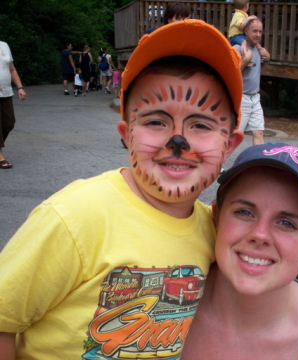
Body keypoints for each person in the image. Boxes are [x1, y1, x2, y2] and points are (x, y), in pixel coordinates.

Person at [0, 19, 244, 359]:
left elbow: (264, 277)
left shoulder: (214, 230)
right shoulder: (75, 217)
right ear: (125, 133)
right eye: (156, 121)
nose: (177, 142)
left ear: (230, 144)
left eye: (201, 125)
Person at [182, 143, 298, 360]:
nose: (261, 235)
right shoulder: (158, 291)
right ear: (216, 217)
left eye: (286, 223)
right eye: (245, 212)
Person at [234, 18, 271, 145]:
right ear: (246, 31)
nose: (258, 35)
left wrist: (266, 59)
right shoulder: (238, 49)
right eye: (255, 31)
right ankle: (220, 164)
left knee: (258, 132)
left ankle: (258, 163)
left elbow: (258, 73)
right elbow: (232, 74)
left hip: (255, 97)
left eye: (260, 32)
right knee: (234, 135)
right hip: (241, 98)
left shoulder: (258, 50)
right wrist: (245, 60)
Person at [0, 41, 26, 169]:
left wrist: (20, 87)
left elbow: (12, 69)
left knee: (9, 123)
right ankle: (0, 156)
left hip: (5, 91)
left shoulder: (4, 45)